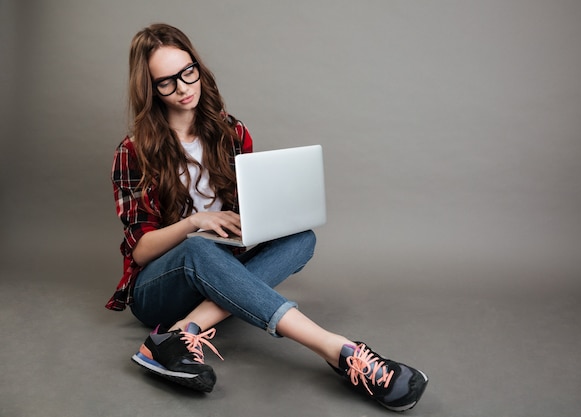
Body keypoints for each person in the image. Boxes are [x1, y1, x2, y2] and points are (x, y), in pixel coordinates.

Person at [106, 23, 428, 412]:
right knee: (198, 250)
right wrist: (196, 222)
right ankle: (337, 348)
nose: (184, 87)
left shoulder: (230, 131)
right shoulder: (134, 151)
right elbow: (141, 253)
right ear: (150, 90)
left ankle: (178, 335)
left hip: (219, 264)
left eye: (188, 72)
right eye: (167, 82)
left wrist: (260, 219)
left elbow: (245, 209)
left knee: (301, 238)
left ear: (198, 66)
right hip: (160, 287)